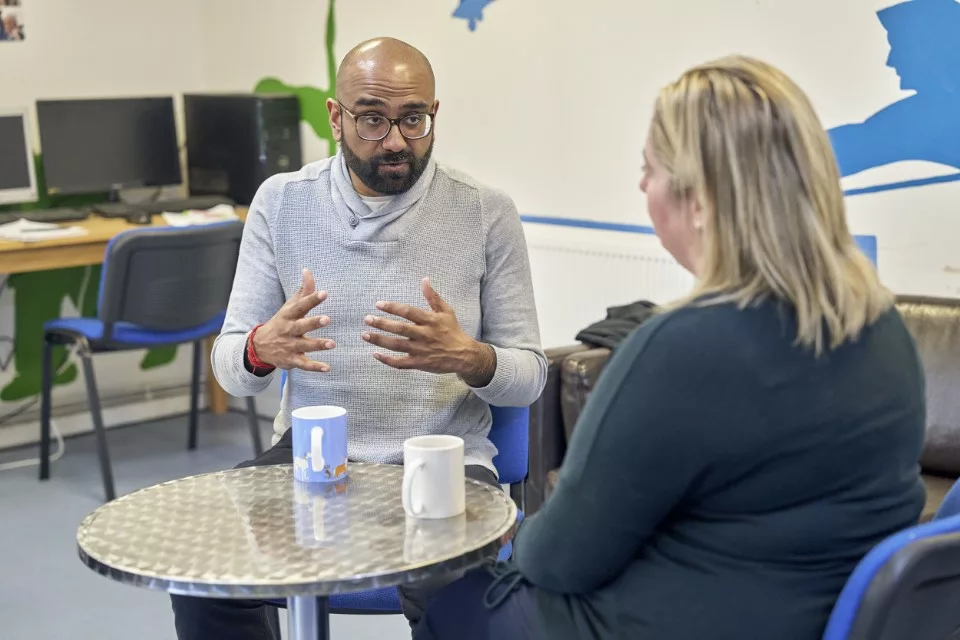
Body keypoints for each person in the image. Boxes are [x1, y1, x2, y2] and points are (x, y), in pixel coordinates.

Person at [414, 55, 927, 640]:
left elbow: (558, 559)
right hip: (815, 616)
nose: (641, 184)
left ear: (702, 202)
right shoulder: (885, 327)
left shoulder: (680, 349)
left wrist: (516, 535)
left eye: (649, 168)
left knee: (447, 598)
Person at [169, 37, 546, 640]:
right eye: (372, 118)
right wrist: (262, 347)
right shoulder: (282, 203)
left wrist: (470, 358)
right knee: (205, 577)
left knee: (452, 587)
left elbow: (529, 375)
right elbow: (229, 367)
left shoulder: (484, 212)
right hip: (312, 456)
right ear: (335, 117)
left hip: (443, 460)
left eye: (413, 119)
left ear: (433, 115)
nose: (395, 139)